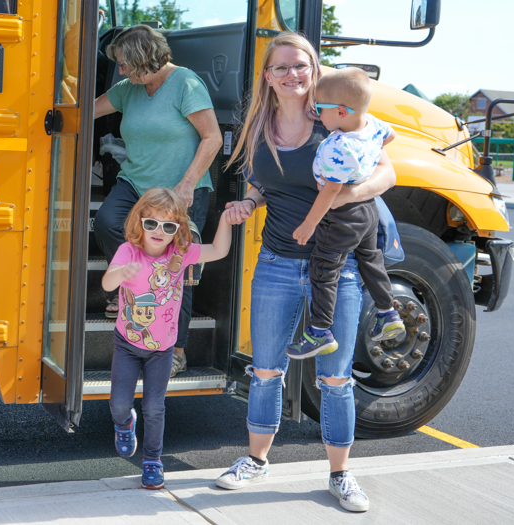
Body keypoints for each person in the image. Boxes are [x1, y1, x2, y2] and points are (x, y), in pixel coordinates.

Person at [216, 33, 396, 513]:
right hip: (276, 262)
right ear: (268, 77)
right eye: (281, 68)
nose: (292, 75)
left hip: (338, 270)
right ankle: (255, 461)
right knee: (266, 370)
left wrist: (350, 195)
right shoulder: (259, 126)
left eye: (301, 66)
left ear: (314, 69)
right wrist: (247, 202)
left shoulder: (335, 114)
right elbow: (260, 180)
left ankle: (340, 474)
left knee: (335, 378)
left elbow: (387, 171)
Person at [94, 24, 223, 378]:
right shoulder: (128, 90)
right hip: (135, 185)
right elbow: (84, 112)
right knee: (106, 221)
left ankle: (176, 349)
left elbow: (212, 138)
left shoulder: (186, 84)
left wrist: (187, 184)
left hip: (177, 193)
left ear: (141, 60)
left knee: (174, 268)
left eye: (123, 64)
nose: (119, 71)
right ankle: (128, 283)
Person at [101, 187, 232, 490]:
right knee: (119, 404)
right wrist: (122, 273)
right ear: (140, 222)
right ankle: (124, 425)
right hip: (128, 345)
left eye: (168, 226)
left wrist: (225, 219)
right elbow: (108, 282)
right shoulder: (128, 252)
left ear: (177, 231)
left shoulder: (181, 254)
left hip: (162, 349)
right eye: (152, 223)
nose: (159, 231)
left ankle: (152, 461)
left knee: (155, 407)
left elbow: (219, 250)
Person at [285, 67, 405, 360]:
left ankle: (319, 331)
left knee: (325, 269)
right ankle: (388, 313)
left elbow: (331, 192)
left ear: (340, 112)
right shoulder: (371, 123)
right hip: (368, 212)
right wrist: (367, 159)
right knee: (370, 260)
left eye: (319, 109)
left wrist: (309, 225)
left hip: (343, 218)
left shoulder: (338, 146)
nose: (316, 115)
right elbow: (390, 136)